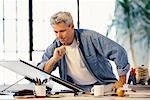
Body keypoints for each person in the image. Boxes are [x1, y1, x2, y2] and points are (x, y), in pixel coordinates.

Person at [37, 11, 130, 92]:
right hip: (77, 90)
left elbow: (118, 51)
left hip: (102, 86)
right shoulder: (55, 46)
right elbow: (41, 73)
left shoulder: (90, 37)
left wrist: (121, 81)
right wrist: (54, 59)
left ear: (72, 26)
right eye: (56, 32)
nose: (59, 36)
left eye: (62, 31)